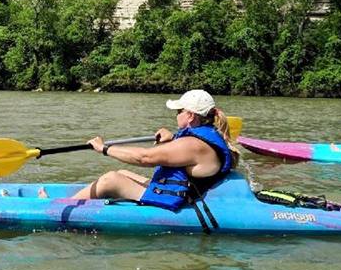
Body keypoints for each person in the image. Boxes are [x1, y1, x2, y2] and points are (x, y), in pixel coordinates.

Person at [69, 89, 238, 210]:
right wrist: (172, 138)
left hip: (179, 200)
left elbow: (144, 158)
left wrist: (104, 148)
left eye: (179, 111)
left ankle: (61, 206)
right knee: (123, 172)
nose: (176, 115)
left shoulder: (194, 144)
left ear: (191, 116)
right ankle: (80, 200)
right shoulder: (203, 136)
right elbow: (185, 153)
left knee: (110, 179)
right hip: (182, 192)